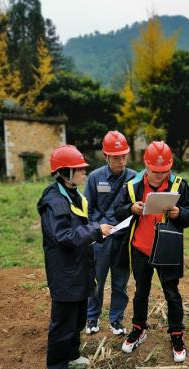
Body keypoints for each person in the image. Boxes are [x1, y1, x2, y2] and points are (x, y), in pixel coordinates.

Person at [115, 141, 189, 362]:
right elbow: (117, 211)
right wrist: (130, 209)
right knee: (140, 292)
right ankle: (138, 329)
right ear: (146, 165)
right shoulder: (132, 186)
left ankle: (176, 335)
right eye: (155, 171)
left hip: (167, 250)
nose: (160, 175)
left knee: (172, 294)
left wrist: (179, 213)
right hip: (140, 249)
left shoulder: (179, 185)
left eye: (165, 171)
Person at [37, 145, 113, 369]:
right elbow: (64, 236)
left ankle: (71, 355)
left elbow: (84, 228)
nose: (83, 173)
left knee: (78, 316)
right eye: (79, 169)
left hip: (79, 268)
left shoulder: (74, 196)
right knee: (63, 320)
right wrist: (94, 230)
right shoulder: (54, 200)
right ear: (64, 172)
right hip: (64, 272)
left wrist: (99, 232)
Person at [85, 131, 137, 336]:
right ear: (105, 156)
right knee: (96, 282)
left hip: (123, 240)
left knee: (120, 282)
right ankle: (92, 318)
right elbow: (86, 211)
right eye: (116, 157)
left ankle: (116, 320)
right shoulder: (94, 178)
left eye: (124, 155)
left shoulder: (134, 177)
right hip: (100, 240)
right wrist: (97, 228)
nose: (121, 160)